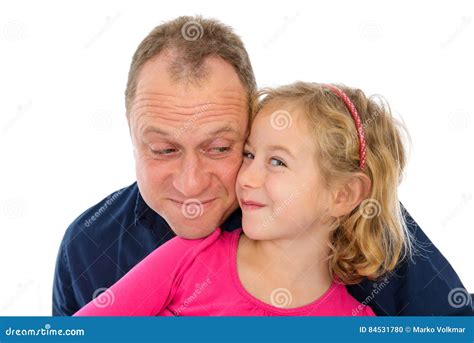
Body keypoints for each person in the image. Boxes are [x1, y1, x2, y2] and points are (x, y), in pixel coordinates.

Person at [53, 16, 473, 316]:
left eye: (220, 148)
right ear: (129, 133)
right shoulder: (88, 248)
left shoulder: (354, 226)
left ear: (249, 124)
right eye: (164, 150)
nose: (191, 182)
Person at [75, 81, 406, 316]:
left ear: (343, 194)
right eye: (248, 155)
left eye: (277, 161)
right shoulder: (192, 256)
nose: (247, 178)